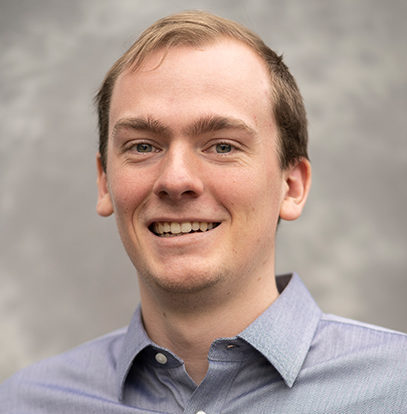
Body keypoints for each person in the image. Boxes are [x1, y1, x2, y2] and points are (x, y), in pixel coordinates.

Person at [1, 10, 406, 413]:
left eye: (223, 146)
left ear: (292, 186)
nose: (175, 180)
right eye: (143, 146)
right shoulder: (24, 404)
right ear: (105, 181)